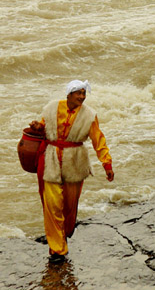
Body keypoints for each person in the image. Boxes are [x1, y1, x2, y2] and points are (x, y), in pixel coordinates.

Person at [30, 79, 114, 263]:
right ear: (69, 94)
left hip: (75, 161)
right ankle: (57, 248)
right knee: (52, 204)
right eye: (79, 93)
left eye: (84, 94)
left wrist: (106, 164)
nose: (82, 97)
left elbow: (98, 140)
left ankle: (64, 233)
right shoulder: (52, 108)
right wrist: (38, 127)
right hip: (50, 158)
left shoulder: (90, 115)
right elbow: (44, 127)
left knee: (69, 204)